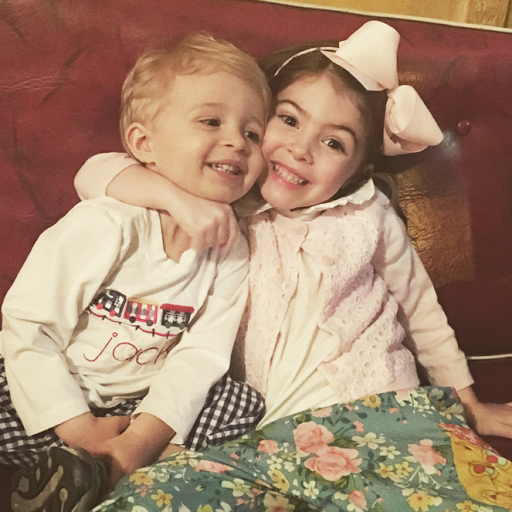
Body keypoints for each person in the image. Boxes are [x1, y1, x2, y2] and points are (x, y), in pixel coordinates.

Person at [76, 21, 512, 512]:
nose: (301, 150)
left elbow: (421, 310)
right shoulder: (223, 202)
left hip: (380, 407)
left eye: (334, 143)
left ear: (358, 169)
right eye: (288, 120)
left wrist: (469, 404)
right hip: (264, 434)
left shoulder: (368, 214)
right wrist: (177, 200)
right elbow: (94, 174)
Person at [1, 32, 271, 512]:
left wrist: (141, 439)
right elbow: (29, 327)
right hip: (53, 389)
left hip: (137, 409)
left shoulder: (232, 250)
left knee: (240, 404)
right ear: (144, 143)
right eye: (211, 121)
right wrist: (78, 427)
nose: (237, 141)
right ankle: (84, 471)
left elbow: (201, 356)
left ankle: (92, 476)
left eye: (253, 133)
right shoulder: (106, 223)